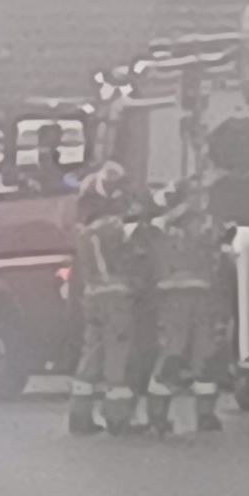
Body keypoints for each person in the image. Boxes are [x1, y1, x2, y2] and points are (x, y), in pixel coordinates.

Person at [144, 182, 227, 437]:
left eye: (199, 195)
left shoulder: (207, 226)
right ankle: (157, 416)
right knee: (172, 356)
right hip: (174, 303)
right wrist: (180, 210)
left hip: (202, 301)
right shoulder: (164, 228)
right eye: (193, 195)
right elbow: (151, 231)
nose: (198, 200)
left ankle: (205, 414)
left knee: (206, 358)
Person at [69, 166, 145, 437]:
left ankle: (79, 417)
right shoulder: (117, 229)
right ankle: (118, 419)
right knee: (117, 359)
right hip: (117, 301)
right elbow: (135, 259)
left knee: (90, 356)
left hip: (92, 299)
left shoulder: (83, 234)